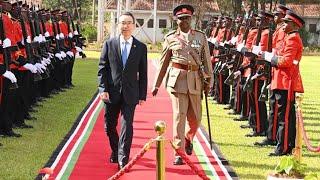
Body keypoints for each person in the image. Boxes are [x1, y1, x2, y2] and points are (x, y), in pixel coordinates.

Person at [151, 4, 212, 165]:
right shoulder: (170, 38)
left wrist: (209, 82)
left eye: (187, 18)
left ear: (191, 19)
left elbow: (207, 61)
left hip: (196, 80)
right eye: (181, 19)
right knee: (180, 116)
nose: (184, 21)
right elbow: (164, 62)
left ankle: (188, 137)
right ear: (176, 20)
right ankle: (179, 151)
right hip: (177, 81)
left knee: (196, 119)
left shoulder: (200, 37)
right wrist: (156, 85)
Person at [97, 12, 148, 169]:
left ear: (133, 25)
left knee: (127, 126)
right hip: (111, 93)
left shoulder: (140, 47)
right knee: (109, 127)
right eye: (122, 23)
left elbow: (143, 73)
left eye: (128, 23)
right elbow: (102, 68)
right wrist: (103, 89)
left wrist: (142, 95)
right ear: (118, 25)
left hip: (130, 94)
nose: (125, 26)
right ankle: (115, 150)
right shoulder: (109, 44)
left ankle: (122, 159)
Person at [261, 10, 304, 156]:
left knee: (284, 117)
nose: (283, 24)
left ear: (293, 24)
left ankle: (283, 147)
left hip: (286, 82)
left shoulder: (293, 39)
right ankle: (285, 145)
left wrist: (271, 59)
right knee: (282, 116)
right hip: (280, 80)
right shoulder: (288, 37)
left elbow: (286, 61)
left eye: (286, 22)